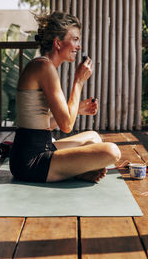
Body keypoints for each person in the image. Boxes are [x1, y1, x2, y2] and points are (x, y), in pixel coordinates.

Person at [9, 11, 121, 183]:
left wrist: (79, 110)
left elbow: (44, 124)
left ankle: (74, 171)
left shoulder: (42, 65)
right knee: (112, 152)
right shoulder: (44, 67)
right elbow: (66, 126)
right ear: (58, 43)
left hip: (39, 146)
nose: (79, 46)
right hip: (31, 161)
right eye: (75, 39)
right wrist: (78, 81)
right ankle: (74, 171)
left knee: (93, 137)